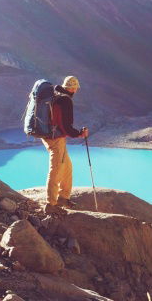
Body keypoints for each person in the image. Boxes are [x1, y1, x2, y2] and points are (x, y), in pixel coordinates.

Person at [41, 75, 88, 214]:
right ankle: (51, 204)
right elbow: (66, 127)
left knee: (67, 167)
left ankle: (63, 197)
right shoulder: (65, 100)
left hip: (49, 136)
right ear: (73, 88)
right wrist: (80, 133)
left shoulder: (55, 94)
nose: (76, 91)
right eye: (76, 88)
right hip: (56, 138)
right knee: (56, 169)